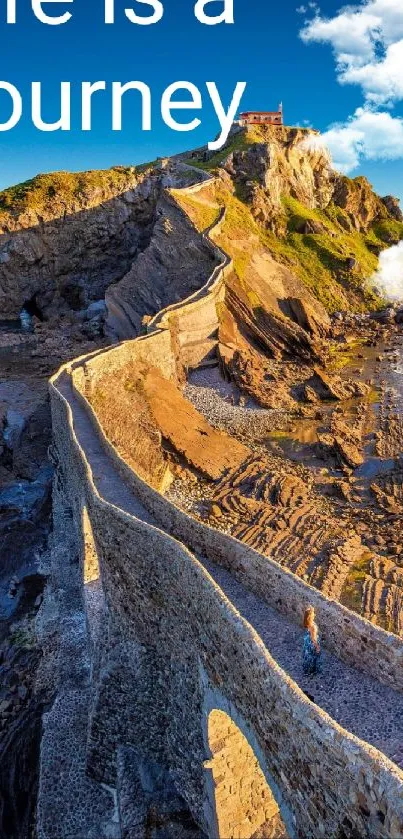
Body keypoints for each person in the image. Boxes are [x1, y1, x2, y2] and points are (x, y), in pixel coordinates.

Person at [303, 606, 322, 676]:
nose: (315, 614)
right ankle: (311, 671)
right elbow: (313, 638)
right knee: (313, 657)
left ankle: (307, 670)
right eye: (313, 613)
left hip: (307, 641)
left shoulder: (308, 623)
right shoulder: (313, 627)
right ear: (310, 616)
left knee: (308, 656)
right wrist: (317, 647)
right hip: (312, 643)